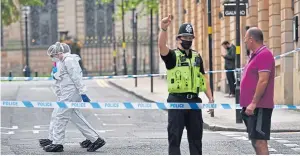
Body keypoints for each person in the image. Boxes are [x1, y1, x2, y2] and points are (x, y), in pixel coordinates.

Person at [158, 15, 214, 155]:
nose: (188, 40)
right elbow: (161, 46)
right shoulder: (172, 56)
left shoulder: (197, 57)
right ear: (178, 39)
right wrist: (163, 29)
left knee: (196, 140)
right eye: (185, 37)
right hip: (177, 101)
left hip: (194, 102)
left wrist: (211, 98)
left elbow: (204, 78)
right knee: (174, 139)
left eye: (190, 38)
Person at [38, 42, 106, 152]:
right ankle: (93, 138)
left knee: (61, 116)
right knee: (73, 116)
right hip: (66, 94)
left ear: (59, 53)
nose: (52, 58)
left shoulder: (69, 60)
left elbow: (76, 77)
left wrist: (83, 92)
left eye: (53, 55)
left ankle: (58, 143)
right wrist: (59, 95)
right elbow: (60, 81)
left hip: (71, 93)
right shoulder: (61, 61)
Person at [240, 27, 275, 155]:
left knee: (260, 141)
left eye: (245, 38)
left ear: (251, 40)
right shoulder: (255, 55)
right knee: (255, 140)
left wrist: (253, 103)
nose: (244, 41)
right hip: (252, 107)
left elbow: (263, 80)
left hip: (259, 106)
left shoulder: (264, 54)